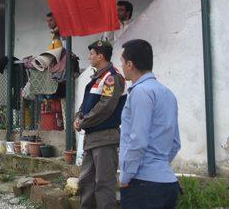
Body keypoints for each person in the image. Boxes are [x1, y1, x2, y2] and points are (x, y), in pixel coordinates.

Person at [119, 39, 181, 209]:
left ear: (130, 64)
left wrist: (126, 176)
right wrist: (159, 165)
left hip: (142, 184)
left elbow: (138, 140)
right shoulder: (168, 93)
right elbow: (175, 143)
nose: (122, 66)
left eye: (122, 62)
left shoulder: (141, 92)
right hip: (167, 183)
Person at [74, 40, 127, 209]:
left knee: (104, 184)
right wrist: (78, 116)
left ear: (100, 56)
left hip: (105, 137)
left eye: (91, 54)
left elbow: (106, 106)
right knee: (86, 181)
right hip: (92, 138)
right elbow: (86, 104)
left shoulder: (112, 77)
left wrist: (83, 121)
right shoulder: (98, 77)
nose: (89, 57)